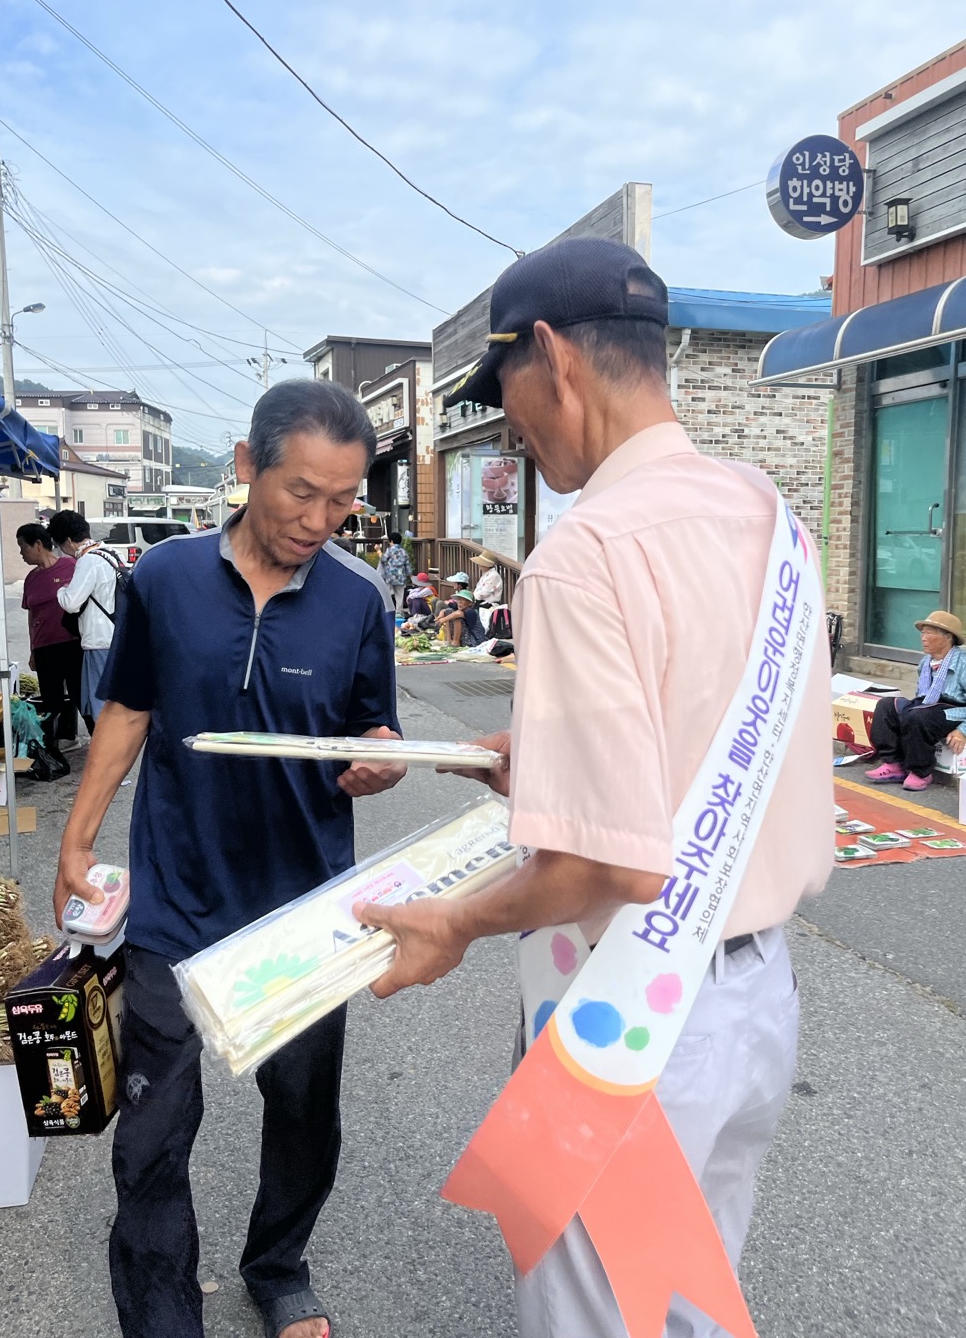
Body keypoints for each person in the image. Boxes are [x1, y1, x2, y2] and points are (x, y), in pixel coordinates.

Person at [355, 237, 832, 1338]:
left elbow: (600, 864)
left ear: (555, 357)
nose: (507, 421)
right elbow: (712, 743)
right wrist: (553, 763)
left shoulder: (585, 556)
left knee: (602, 1322)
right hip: (758, 1005)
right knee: (695, 1300)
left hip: (635, 1021)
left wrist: (455, 925)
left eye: (505, 387)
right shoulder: (775, 523)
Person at [53, 380, 406, 1338]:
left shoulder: (358, 602)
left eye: (343, 501)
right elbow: (127, 708)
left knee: (302, 1112)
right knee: (154, 1134)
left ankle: (278, 1267)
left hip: (303, 908)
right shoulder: (163, 578)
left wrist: (376, 761)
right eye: (300, 492)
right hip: (176, 898)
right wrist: (77, 839)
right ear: (246, 466)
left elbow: (374, 727)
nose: (319, 520)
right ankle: (164, 1318)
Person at [866, 610, 966, 791]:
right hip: (927, 705)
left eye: (929, 632)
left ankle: (921, 772)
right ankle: (893, 763)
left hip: (954, 710)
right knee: (887, 706)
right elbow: (922, 697)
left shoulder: (963, 664)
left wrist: (962, 731)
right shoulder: (925, 663)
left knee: (918, 716)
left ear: (948, 637)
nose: (923, 638)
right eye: (923, 632)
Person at [47, 510, 119, 733]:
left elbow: (71, 602)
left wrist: (61, 589)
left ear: (68, 540)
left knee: (101, 707)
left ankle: (108, 757)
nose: (63, 551)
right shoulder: (111, 553)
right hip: (117, 636)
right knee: (112, 703)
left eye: (61, 546)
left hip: (99, 641)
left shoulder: (88, 560)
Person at [17, 523, 83, 749]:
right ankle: (56, 741)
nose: (21, 553)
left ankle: (86, 739)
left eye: (23, 547)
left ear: (38, 544)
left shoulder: (71, 566)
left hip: (72, 643)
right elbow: (31, 615)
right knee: (51, 698)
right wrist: (33, 649)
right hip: (44, 646)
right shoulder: (31, 579)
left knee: (79, 694)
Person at [379, 530, 412, 611]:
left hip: (390, 577)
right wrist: (410, 576)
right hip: (401, 578)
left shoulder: (390, 550)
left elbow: (383, 559)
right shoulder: (404, 552)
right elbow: (407, 566)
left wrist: (378, 550)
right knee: (400, 596)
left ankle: (388, 610)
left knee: (387, 595)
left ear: (392, 541)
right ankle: (399, 613)